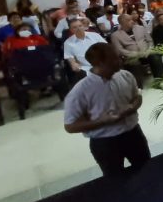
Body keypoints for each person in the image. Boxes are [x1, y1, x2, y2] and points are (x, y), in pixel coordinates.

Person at [63, 43, 149, 177]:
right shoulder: (80, 91)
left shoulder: (126, 76)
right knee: (116, 181)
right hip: (105, 143)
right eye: (114, 58)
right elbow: (70, 126)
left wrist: (131, 108)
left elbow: (137, 98)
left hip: (133, 134)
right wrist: (103, 121)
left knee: (147, 171)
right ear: (100, 63)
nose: (119, 60)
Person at [111, 14, 163, 87]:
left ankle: (159, 81)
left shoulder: (141, 28)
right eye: (128, 20)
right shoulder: (115, 35)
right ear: (122, 23)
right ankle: (138, 87)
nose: (132, 21)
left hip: (146, 52)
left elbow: (150, 41)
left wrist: (149, 50)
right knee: (134, 64)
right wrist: (135, 54)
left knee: (155, 57)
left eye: (131, 19)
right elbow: (120, 50)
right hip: (131, 56)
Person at [63, 18, 107, 84]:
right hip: (86, 68)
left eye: (80, 26)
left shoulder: (95, 35)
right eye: (75, 27)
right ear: (71, 30)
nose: (78, 29)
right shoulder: (68, 42)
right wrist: (73, 64)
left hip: (103, 64)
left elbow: (107, 48)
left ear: (83, 26)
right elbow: (69, 57)